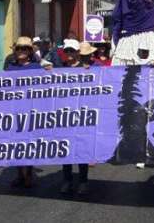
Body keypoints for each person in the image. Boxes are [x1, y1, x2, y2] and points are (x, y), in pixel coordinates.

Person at [5, 37, 44, 188]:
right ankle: (19, 174)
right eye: (18, 48)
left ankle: (28, 174)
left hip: (31, 112)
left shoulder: (36, 68)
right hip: (14, 111)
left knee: (28, 144)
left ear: (29, 51)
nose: (21, 51)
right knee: (16, 144)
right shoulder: (10, 68)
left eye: (24, 48)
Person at [59, 39, 92, 195]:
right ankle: (67, 180)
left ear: (78, 52)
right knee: (66, 150)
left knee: (81, 150)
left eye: (72, 51)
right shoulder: (61, 69)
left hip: (81, 117)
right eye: (67, 51)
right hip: (65, 117)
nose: (69, 54)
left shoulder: (87, 69)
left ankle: (83, 181)